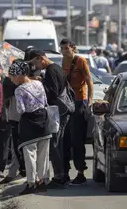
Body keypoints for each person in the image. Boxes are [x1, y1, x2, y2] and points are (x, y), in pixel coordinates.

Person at [28, 50, 71, 188]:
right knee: (58, 143)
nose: (35, 66)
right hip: (60, 112)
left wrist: (39, 85)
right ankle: (63, 175)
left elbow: (52, 92)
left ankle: (60, 177)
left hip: (58, 112)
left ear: (41, 59)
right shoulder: (55, 68)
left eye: (34, 63)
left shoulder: (52, 71)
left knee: (55, 144)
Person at [9, 61, 51, 195]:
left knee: (30, 155)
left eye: (12, 76)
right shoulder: (39, 83)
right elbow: (44, 101)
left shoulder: (19, 90)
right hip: (44, 121)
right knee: (43, 154)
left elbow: (21, 109)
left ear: (19, 75)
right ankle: (42, 181)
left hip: (29, 124)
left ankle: (31, 183)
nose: (11, 79)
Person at [61, 38, 93, 185]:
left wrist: (89, 103)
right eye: (62, 48)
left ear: (73, 48)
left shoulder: (80, 61)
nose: (64, 51)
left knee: (77, 139)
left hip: (80, 101)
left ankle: (80, 172)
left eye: (67, 48)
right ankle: (65, 172)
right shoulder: (63, 62)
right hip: (67, 102)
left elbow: (89, 81)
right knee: (65, 138)